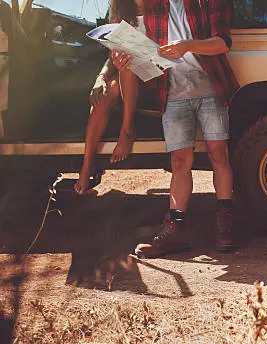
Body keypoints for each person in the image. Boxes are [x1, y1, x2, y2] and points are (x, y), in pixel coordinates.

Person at [131, 0, 240, 257]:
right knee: (180, 161)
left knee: (219, 154)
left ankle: (225, 221)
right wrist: (128, 59)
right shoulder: (154, 6)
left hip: (211, 88)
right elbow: (145, 52)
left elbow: (223, 42)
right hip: (173, 93)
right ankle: (176, 230)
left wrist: (187, 46)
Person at [74, 0, 145, 195]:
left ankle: (127, 130)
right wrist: (101, 78)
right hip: (126, 74)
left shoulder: (162, 9)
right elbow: (112, 56)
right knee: (102, 95)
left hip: (155, 75)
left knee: (127, 64)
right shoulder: (121, 11)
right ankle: (86, 166)